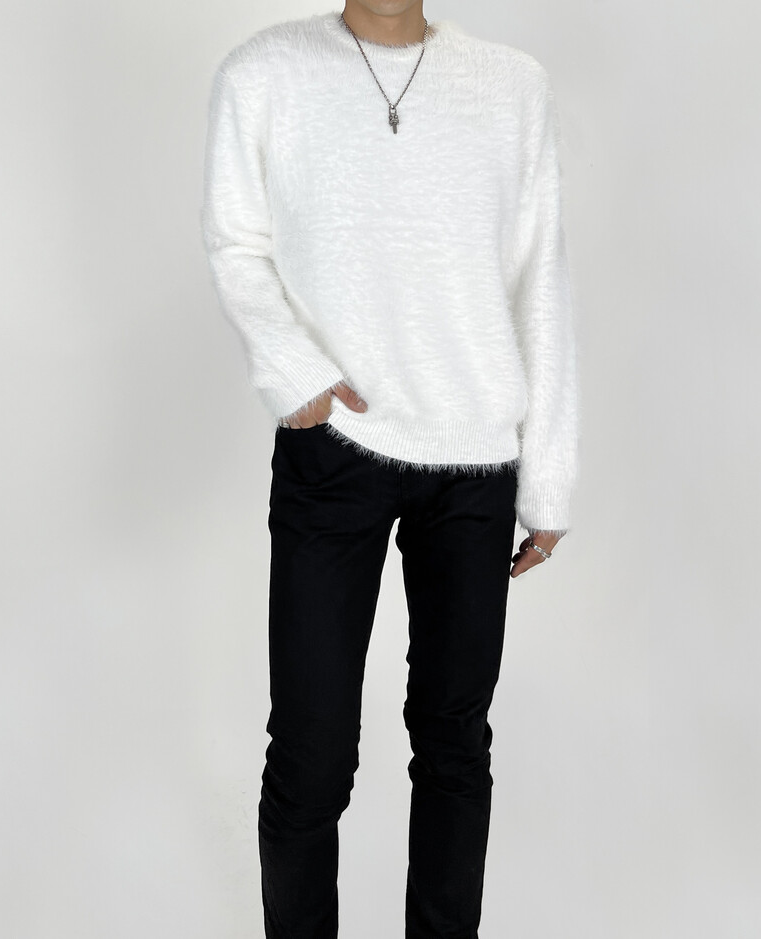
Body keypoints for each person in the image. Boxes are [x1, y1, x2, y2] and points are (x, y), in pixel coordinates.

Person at [201, 2, 579, 935]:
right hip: (336, 451)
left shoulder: (513, 86)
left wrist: (548, 473)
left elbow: (540, 274)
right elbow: (236, 241)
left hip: (475, 459)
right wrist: (293, 371)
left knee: (454, 746)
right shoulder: (264, 74)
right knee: (313, 754)